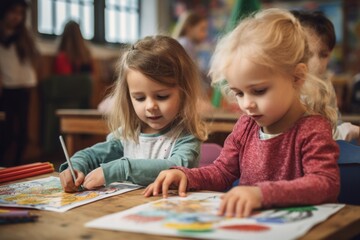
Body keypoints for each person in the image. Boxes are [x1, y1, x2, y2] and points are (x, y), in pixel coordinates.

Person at [144, 9, 340, 218]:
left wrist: (260, 194)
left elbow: (325, 183)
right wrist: (185, 175)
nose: (247, 104)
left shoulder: (313, 129)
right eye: (238, 92)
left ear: (297, 77)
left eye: (259, 91)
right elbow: (222, 171)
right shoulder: (246, 126)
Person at [59, 36, 207, 192]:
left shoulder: (187, 137)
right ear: (129, 98)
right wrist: (74, 167)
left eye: (162, 96)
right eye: (140, 98)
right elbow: (90, 155)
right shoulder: (126, 135)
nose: (150, 106)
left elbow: (175, 167)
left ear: (184, 93)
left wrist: (121, 169)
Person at [292, 10, 360, 144]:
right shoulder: (286, 88)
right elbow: (314, 138)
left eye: (323, 55)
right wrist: (350, 130)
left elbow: (335, 124)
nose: (316, 64)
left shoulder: (324, 83)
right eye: (308, 54)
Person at [0, 0, 39, 165]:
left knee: (24, 130)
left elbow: (32, 60)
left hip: (25, 86)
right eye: (13, 12)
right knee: (6, 130)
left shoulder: (24, 36)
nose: (17, 17)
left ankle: (17, 164)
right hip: (7, 88)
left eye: (20, 13)